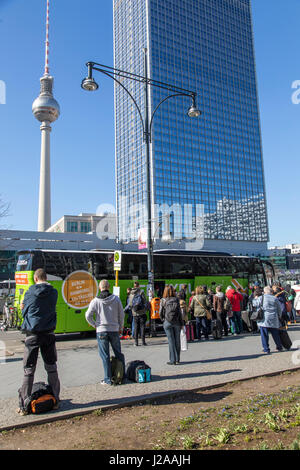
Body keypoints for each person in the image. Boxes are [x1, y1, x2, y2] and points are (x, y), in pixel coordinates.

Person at [18, 268, 60, 415]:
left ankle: (24, 405)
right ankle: (56, 399)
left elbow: (24, 312)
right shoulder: (54, 292)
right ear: (45, 277)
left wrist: (24, 307)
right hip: (48, 333)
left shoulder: (29, 292)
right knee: (51, 367)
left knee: (29, 370)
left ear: (35, 279)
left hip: (32, 334)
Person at [85, 279, 125, 385]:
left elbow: (87, 315)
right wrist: (121, 327)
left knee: (105, 355)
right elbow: (121, 315)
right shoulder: (116, 299)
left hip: (101, 330)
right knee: (118, 353)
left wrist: (94, 324)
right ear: (109, 287)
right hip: (114, 330)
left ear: (100, 288)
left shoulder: (95, 301)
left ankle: (107, 379)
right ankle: (121, 376)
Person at [253, 286, 283, 354]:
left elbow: (254, 304)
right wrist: (279, 316)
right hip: (273, 318)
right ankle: (279, 346)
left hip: (264, 318)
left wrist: (255, 299)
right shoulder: (275, 298)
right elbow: (279, 309)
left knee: (264, 334)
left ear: (265, 292)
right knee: (275, 333)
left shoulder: (261, 298)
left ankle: (266, 349)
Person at [159, 285, 184, 365]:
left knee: (171, 341)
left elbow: (160, 312)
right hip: (177, 322)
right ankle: (177, 359)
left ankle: (172, 360)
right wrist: (181, 323)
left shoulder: (163, 300)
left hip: (167, 322)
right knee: (177, 340)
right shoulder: (176, 299)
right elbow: (180, 313)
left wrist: (163, 319)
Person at [128, 281, 148, 346]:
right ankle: (143, 342)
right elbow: (145, 301)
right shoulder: (141, 292)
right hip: (142, 312)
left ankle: (136, 342)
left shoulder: (131, 293)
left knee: (136, 327)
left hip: (135, 313)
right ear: (139, 286)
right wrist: (144, 309)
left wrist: (133, 309)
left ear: (134, 286)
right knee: (142, 327)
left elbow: (130, 304)